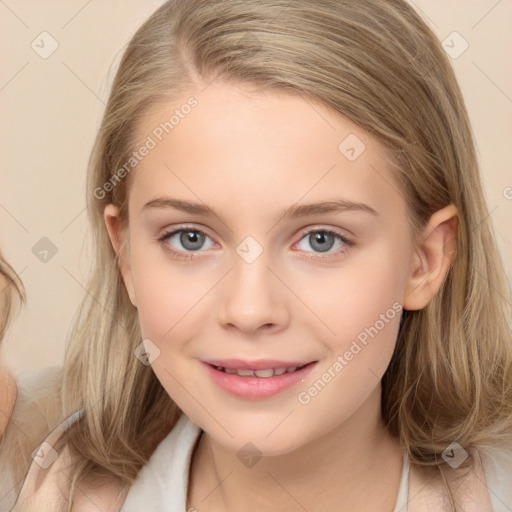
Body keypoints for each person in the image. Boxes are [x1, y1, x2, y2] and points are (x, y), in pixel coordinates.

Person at [10, 0, 512, 510]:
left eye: (322, 239)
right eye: (190, 238)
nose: (250, 310)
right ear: (127, 256)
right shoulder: (28, 464)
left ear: (424, 260)